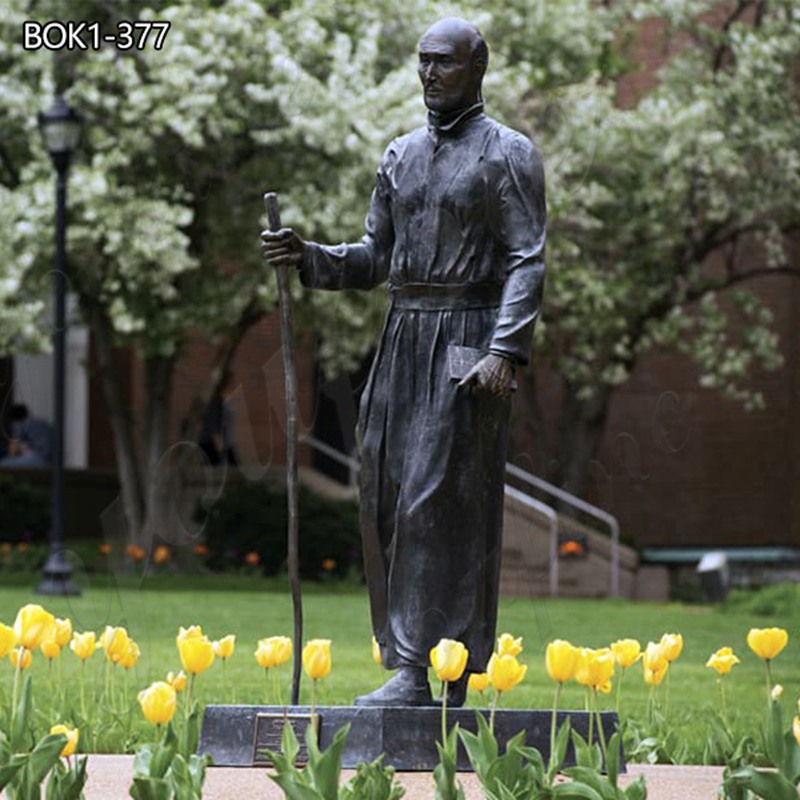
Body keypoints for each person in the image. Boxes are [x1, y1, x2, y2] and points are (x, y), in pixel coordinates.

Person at [262, 17, 545, 706]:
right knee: (389, 499)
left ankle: (424, 670)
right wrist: (310, 258)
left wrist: (505, 350)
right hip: (403, 339)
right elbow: (374, 258)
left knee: (434, 503)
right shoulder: (400, 156)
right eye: (423, 63)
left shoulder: (507, 154)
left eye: (443, 63)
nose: (429, 75)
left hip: (467, 343)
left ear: (476, 68)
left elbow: (526, 258)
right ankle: (419, 664)